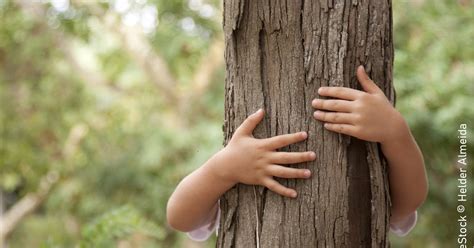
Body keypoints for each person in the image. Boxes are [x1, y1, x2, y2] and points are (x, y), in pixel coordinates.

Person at [166, 66, 428, 242]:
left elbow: (405, 204)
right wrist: (222, 169)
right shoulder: (243, 169)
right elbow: (180, 217)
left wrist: (396, 134)